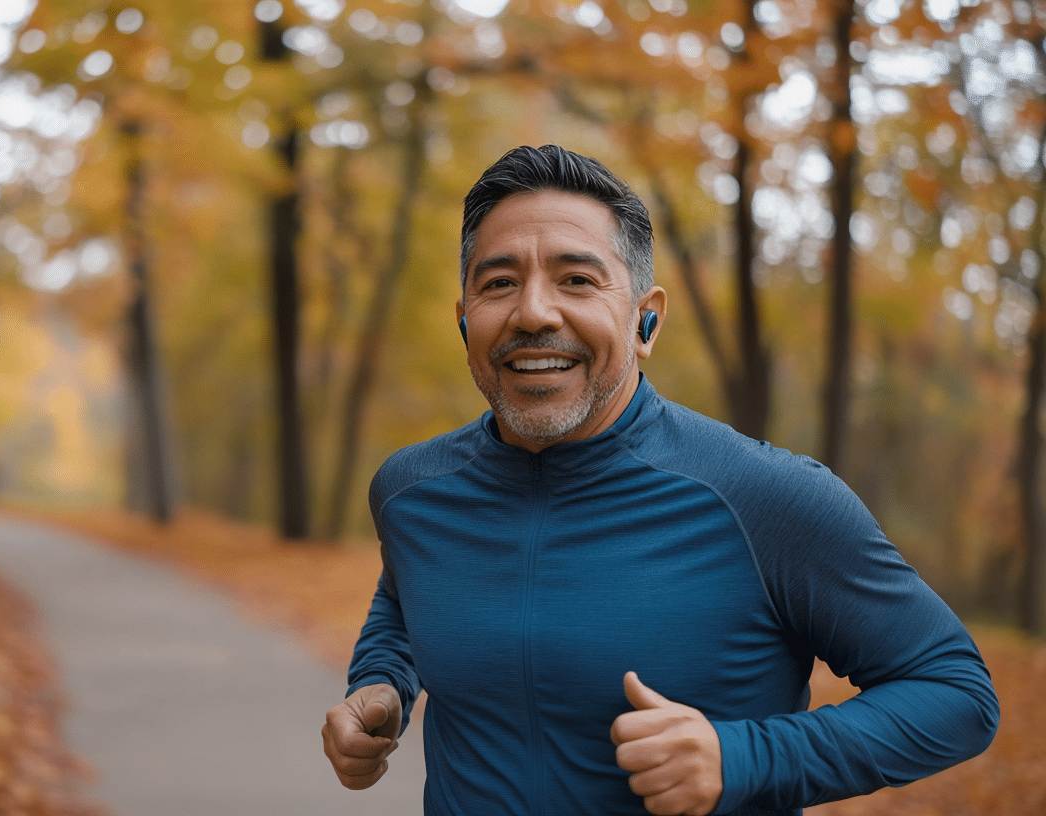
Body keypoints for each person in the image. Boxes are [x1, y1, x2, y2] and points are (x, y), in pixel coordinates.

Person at [320, 144, 998, 816]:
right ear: (464, 317)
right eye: (498, 282)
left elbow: (955, 691)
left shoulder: (765, 498)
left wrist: (746, 759)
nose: (532, 313)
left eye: (577, 280)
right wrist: (383, 682)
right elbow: (406, 599)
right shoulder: (412, 492)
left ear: (646, 320)